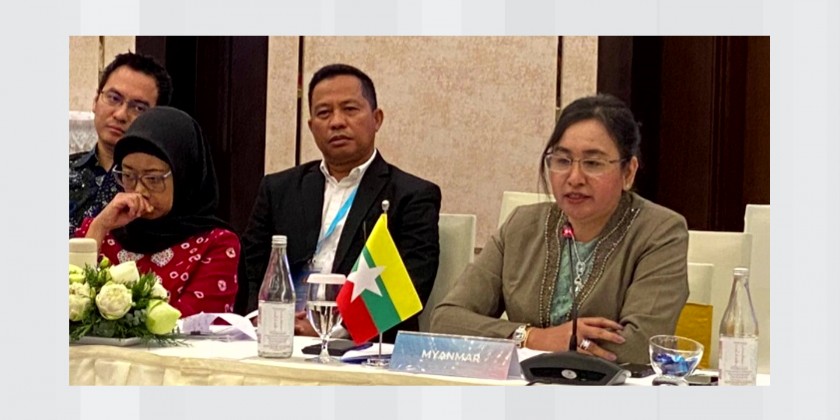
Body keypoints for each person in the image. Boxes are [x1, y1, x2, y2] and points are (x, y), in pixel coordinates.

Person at [431, 94, 688, 364]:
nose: (574, 178)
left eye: (593, 163)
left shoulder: (660, 232)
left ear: (628, 172)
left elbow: (639, 346)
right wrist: (532, 337)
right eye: (562, 161)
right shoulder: (522, 225)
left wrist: (559, 343)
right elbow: (446, 320)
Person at [240, 63, 441, 342]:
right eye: (324, 113)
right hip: (278, 336)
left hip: (363, 347)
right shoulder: (278, 189)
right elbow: (252, 268)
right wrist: (264, 319)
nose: (336, 122)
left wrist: (332, 331)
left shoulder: (411, 195)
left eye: (349, 109)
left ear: (377, 119)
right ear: (311, 126)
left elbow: (410, 283)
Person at [75, 106, 239, 318]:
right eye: (128, 176)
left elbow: (190, 324)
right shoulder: (99, 231)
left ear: (184, 177)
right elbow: (69, 305)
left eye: (153, 179)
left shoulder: (216, 244)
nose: (139, 190)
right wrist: (100, 226)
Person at [69, 52, 173, 236]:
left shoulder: (161, 185)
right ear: (95, 100)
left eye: (139, 108)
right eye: (113, 98)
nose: (120, 115)